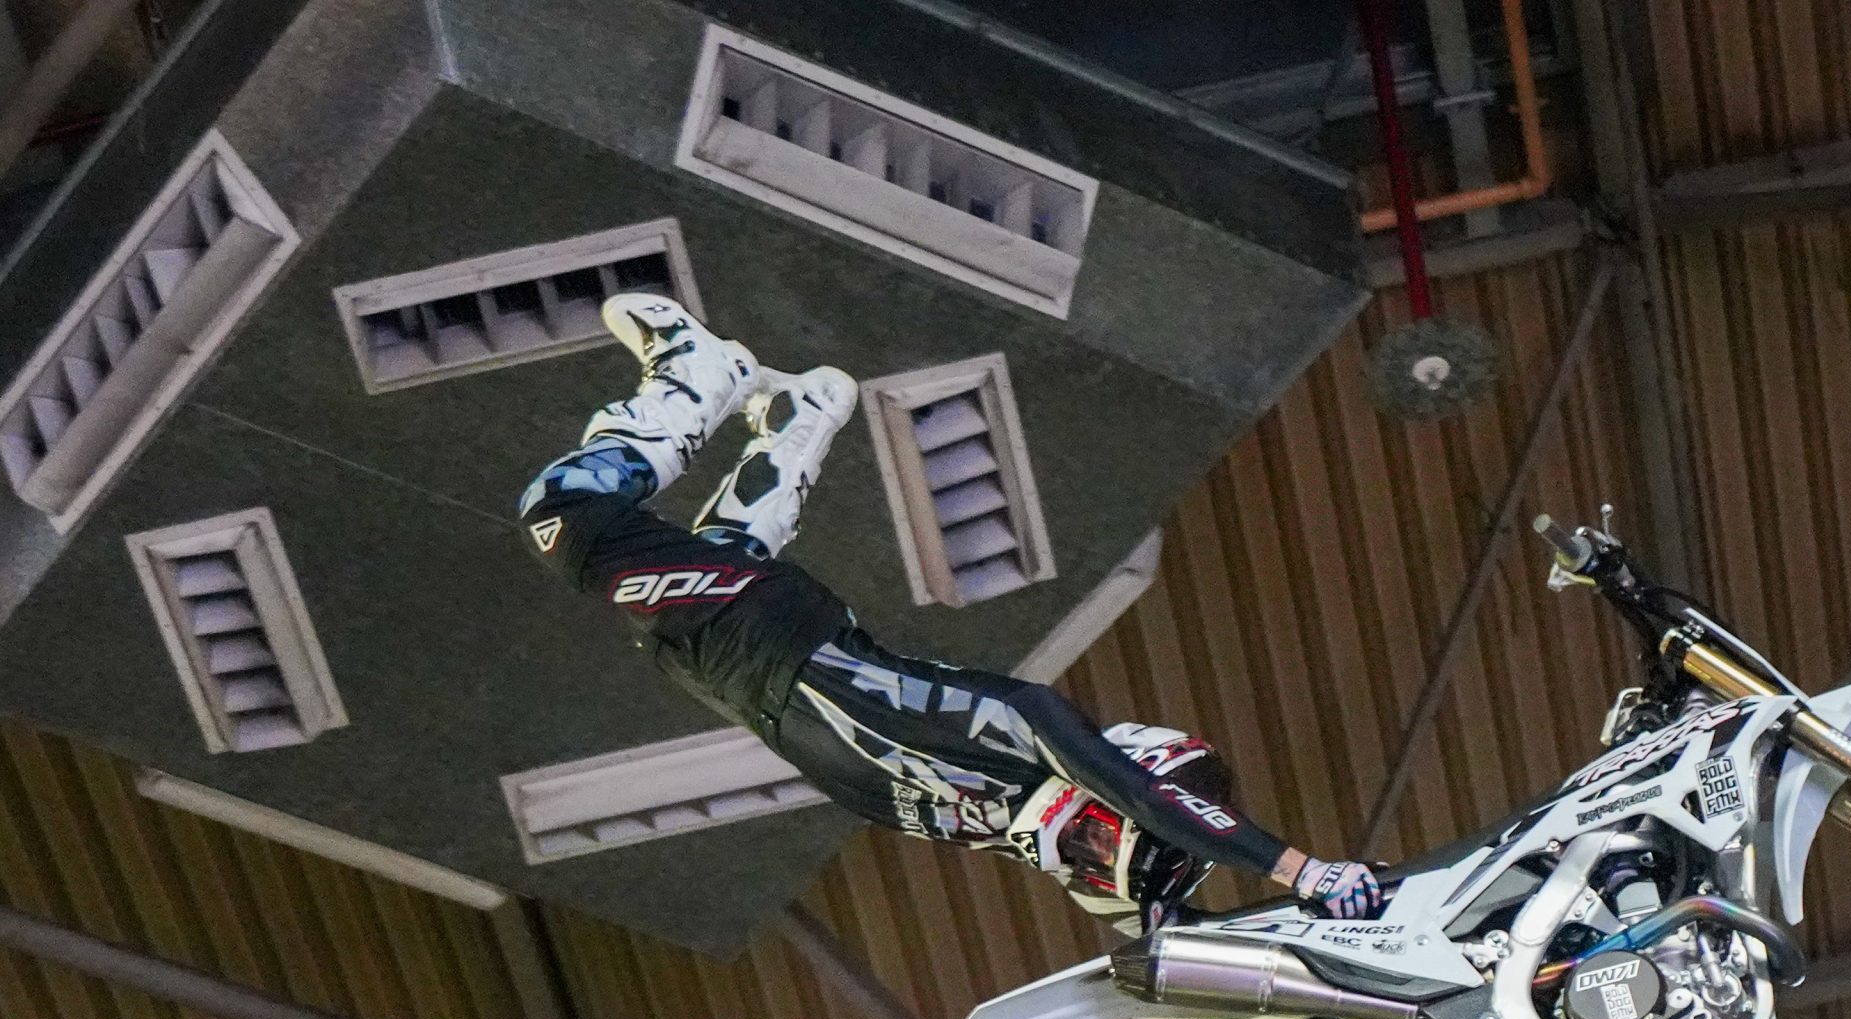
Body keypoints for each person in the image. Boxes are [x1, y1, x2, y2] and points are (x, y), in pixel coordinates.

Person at [516, 295, 1382, 928]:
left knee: (719, 549)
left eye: (1090, 864)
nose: (1076, 852)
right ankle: (696, 375)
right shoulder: (1028, 732)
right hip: (772, 643)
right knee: (563, 515)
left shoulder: (993, 819)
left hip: (738, 675)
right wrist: (1299, 870)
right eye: (1096, 835)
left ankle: (800, 419)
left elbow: (1149, 924)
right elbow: (1142, 795)